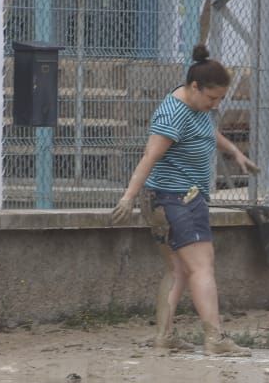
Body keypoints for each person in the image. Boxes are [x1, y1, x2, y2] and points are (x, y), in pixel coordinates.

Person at [110, 44, 258, 356]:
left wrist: (234, 152)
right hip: (177, 198)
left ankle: (164, 337)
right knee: (202, 267)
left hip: (168, 199)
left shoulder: (195, 107)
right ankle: (215, 339)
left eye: (220, 98)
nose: (216, 105)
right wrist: (128, 197)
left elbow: (207, 131)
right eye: (212, 98)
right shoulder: (174, 113)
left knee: (177, 270)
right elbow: (150, 156)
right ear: (195, 87)